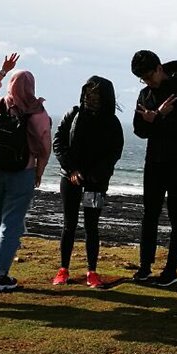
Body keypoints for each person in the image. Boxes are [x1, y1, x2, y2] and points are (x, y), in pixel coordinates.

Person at [0, 53, 52, 293]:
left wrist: (2, 71)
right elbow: (44, 148)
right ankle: (0, 275)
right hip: (21, 172)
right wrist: (39, 171)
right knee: (11, 223)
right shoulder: (37, 114)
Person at [131, 50, 177, 287]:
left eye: (149, 76)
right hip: (154, 161)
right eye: (143, 79)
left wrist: (157, 119)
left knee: (176, 215)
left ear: (160, 68)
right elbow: (139, 129)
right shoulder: (145, 94)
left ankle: (171, 270)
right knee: (149, 214)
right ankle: (145, 266)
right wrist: (156, 117)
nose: (148, 82)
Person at [51, 76, 125, 288]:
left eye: (96, 96)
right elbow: (59, 142)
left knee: (92, 227)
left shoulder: (112, 123)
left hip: (96, 182)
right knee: (69, 225)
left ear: (106, 98)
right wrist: (71, 169)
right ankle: (63, 269)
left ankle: (92, 271)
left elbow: (114, 153)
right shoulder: (72, 115)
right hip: (70, 177)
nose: (90, 99)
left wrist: (96, 174)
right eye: (88, 95)